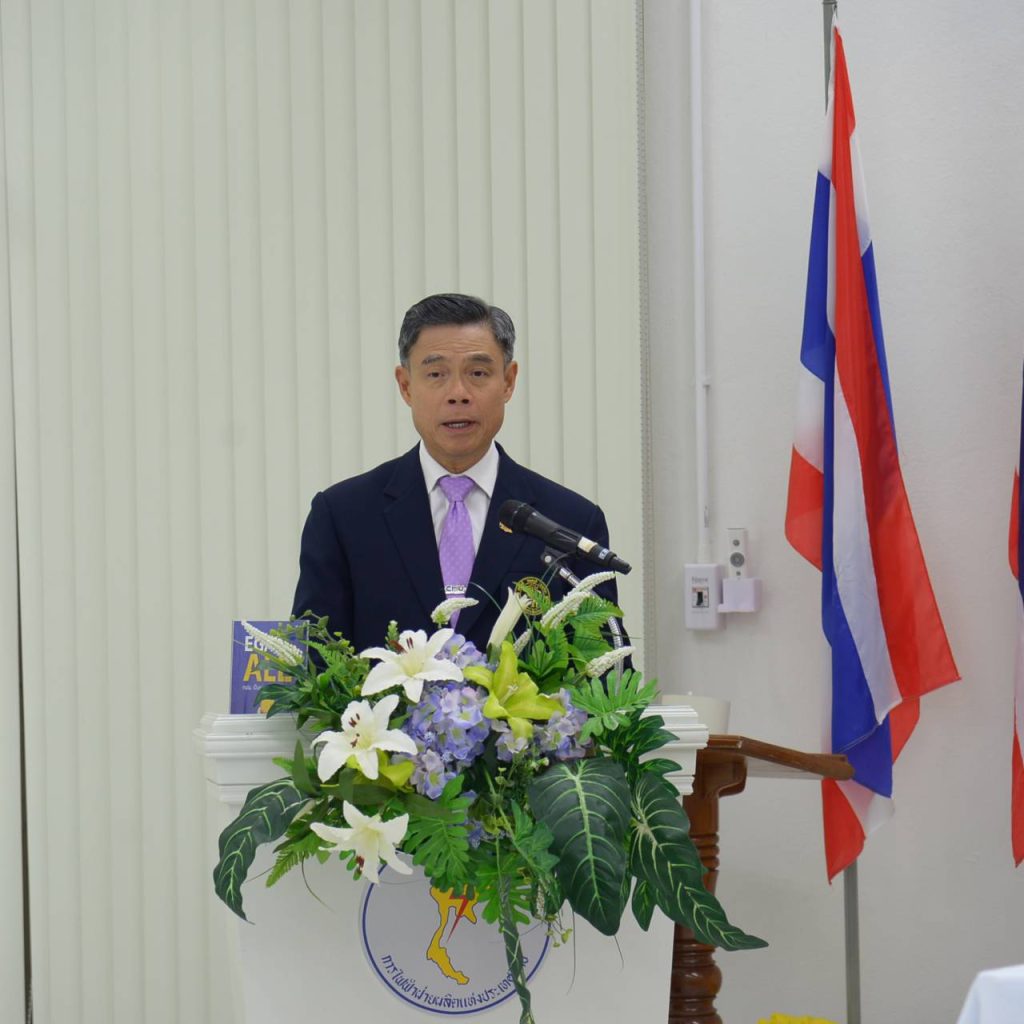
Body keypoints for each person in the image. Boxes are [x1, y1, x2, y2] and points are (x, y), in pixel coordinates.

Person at [291, 293, 619, 654]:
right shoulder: (343, 517)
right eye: (436, 374)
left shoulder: (570, 522)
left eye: (478, 373)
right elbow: (314, 666)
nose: (458, 394)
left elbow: (605, 670)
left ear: (508, 381)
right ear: (405, 385)